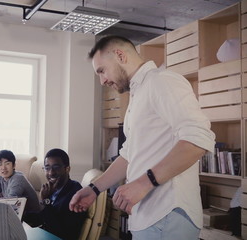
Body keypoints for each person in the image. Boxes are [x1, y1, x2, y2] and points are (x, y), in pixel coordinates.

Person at [69, 36, 215, 240]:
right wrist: (95, 188)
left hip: (167, 213)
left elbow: (199, 137)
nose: (102, 80)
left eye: (102, 70)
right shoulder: (139, 92)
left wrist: (143, 184)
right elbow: (129, 154)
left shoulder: (162, 81)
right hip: (148, 216)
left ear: (120, 55)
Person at [37, 148, 86, 240]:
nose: (51, 173)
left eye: (56, 167)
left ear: (67, 169)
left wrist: (45, 201)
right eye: (47, 168)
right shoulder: (54, 189)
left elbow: (62, 233)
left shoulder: (75, 194)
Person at [0, 150, 41, 225]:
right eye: (0, 164)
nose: (3, 168)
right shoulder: (1, 178)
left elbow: (10, 201)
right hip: (16, 215)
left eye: (7, 164)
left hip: (31, 219)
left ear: (14, 165)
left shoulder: (18, 178)